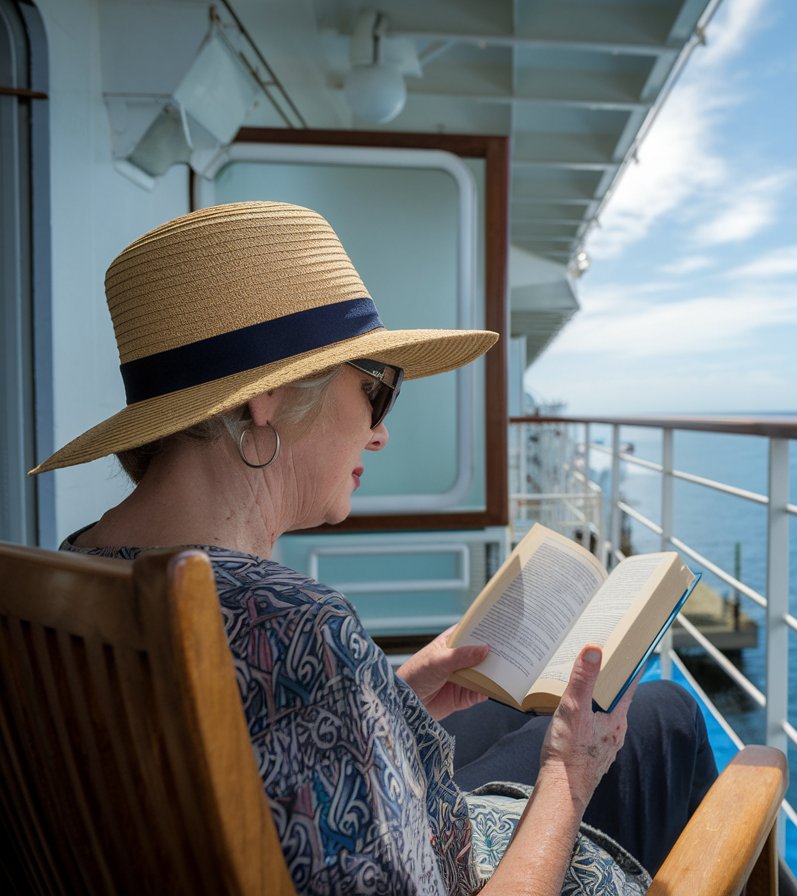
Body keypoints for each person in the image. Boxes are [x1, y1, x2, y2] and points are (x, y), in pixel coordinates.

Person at [31, 201, 718, 895]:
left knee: (515, 707)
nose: (379, 432)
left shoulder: (69, 574)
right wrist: (571, 774)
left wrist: (390, 694)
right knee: (665, 714)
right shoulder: (294, 628)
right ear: (266, 398)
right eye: (376, 388)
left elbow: (237, 745)